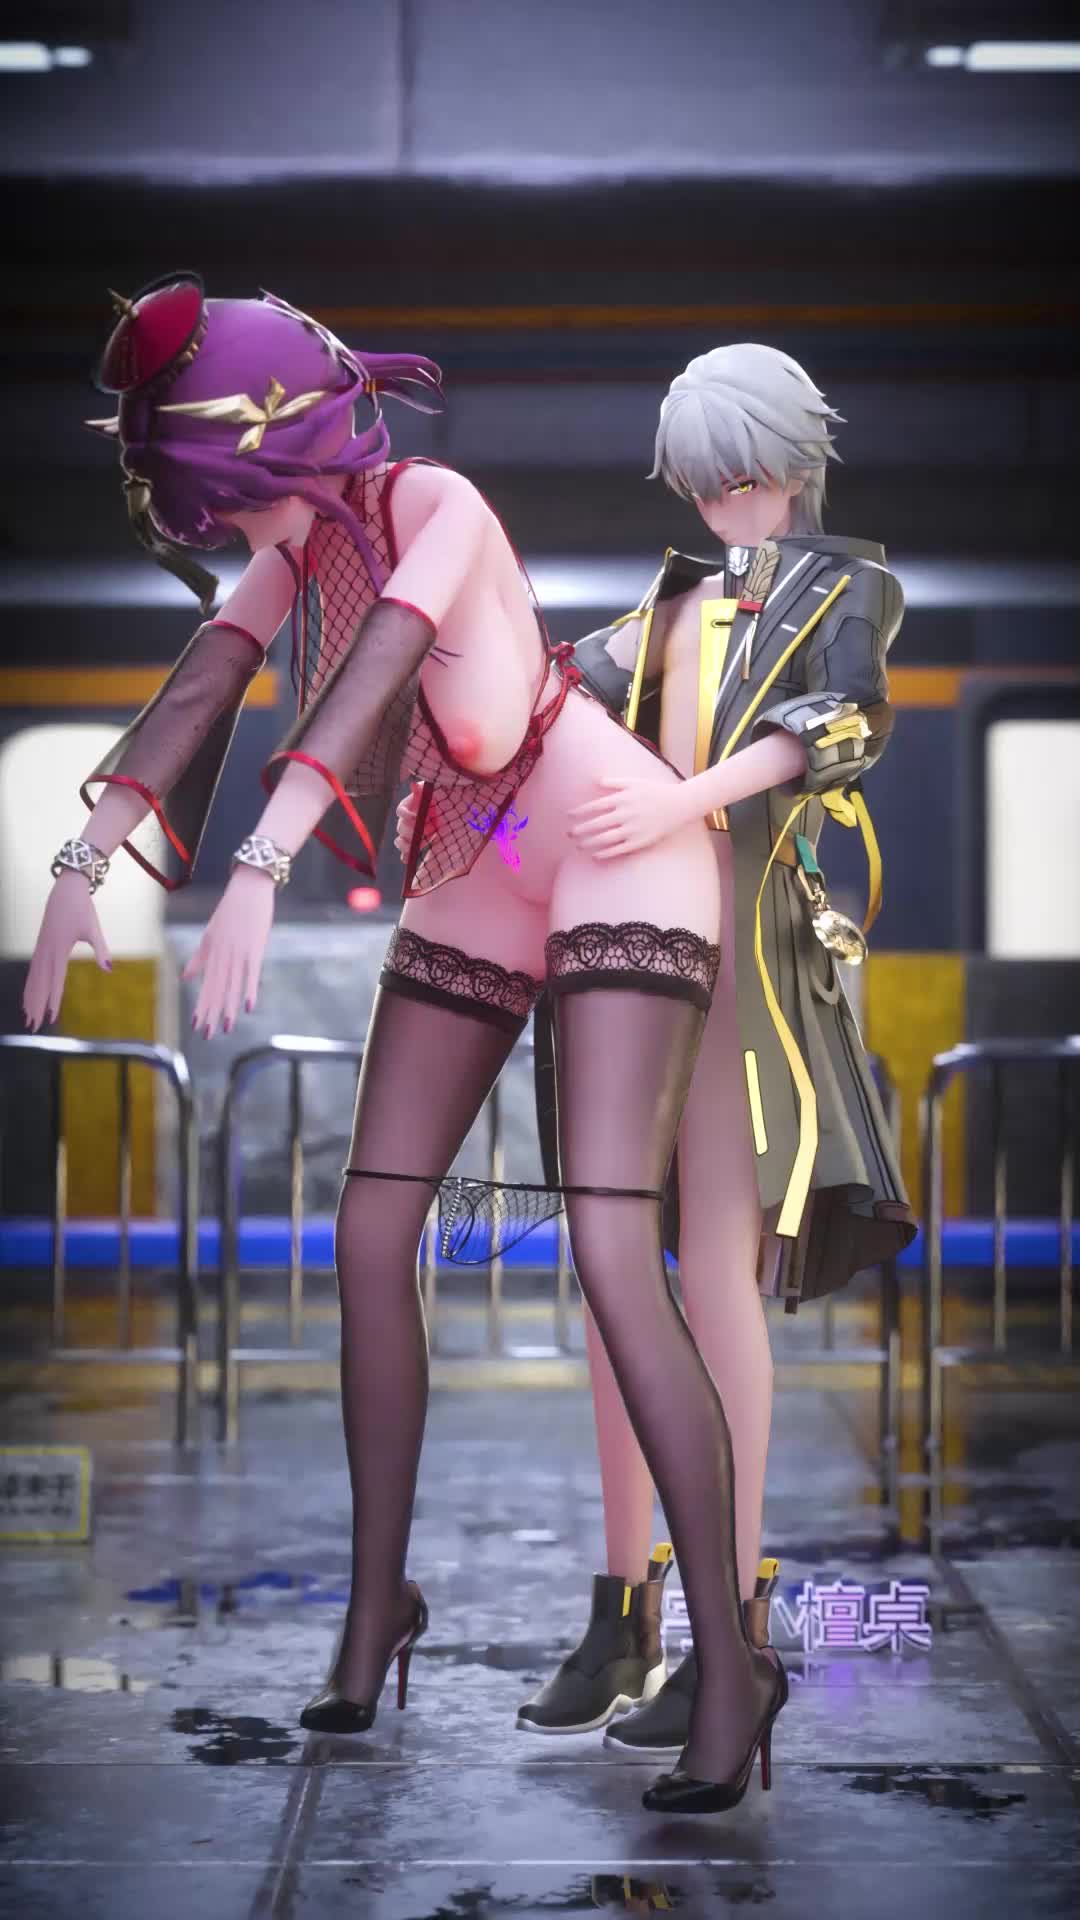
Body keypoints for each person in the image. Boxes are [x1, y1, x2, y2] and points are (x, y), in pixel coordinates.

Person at [24, 280, 785, 1813]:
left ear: (274, 451)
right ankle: (381, 1610)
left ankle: (733, 1658)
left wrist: (260, 864)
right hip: (480, 861)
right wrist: (78, 864)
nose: (234, 539)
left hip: (618, 847)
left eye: (227, 504)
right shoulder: (291, 543)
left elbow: (385, 652)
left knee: (612, 1248)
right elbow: (209, 678)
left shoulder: (439, 505)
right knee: (372, 1228)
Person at [513, 343, 916, 1757]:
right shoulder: (668, 602)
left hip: (746, 964)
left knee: (718, 1286)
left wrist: (681, 800)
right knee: (613, 1286)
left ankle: (729, 1629)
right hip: (632, 956)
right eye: (702, 483)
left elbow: (841, 724)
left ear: (796, 465)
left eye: (744, 477)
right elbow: (548, 708)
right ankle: (621, 1610)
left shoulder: (846, 588)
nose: (727, 503)